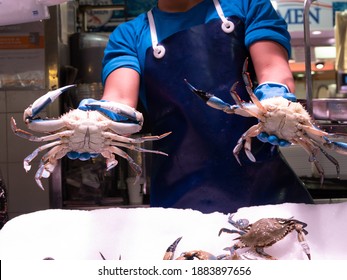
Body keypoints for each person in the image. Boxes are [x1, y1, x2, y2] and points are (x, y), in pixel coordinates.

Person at [71, 0, 313, 214]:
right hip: (180, 202)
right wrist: (99, 120)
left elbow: (273, 70)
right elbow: (120, 99)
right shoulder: (130, 35)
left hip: (268, 194)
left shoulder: (248, 5)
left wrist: (276, 95)